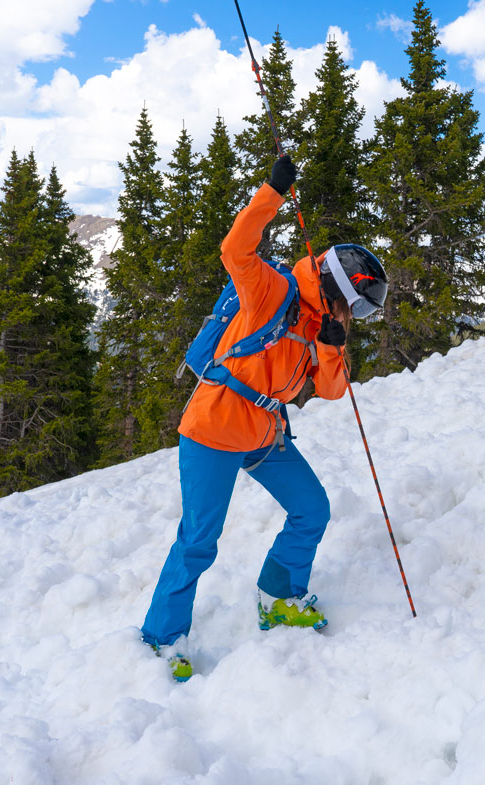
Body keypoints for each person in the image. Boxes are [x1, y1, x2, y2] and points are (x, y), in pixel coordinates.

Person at [141, 155, 388, 681]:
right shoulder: (270, 292)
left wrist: (331, 349)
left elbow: (331, 390)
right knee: (198, 540)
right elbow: (235, 249)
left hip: (263, 433)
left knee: (312, 509)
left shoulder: (321, 325)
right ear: (338, 288)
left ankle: (278, 596)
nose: (354, 318)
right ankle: (161, 639)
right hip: (214, 428)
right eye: (355, 308)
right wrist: (271, 193)